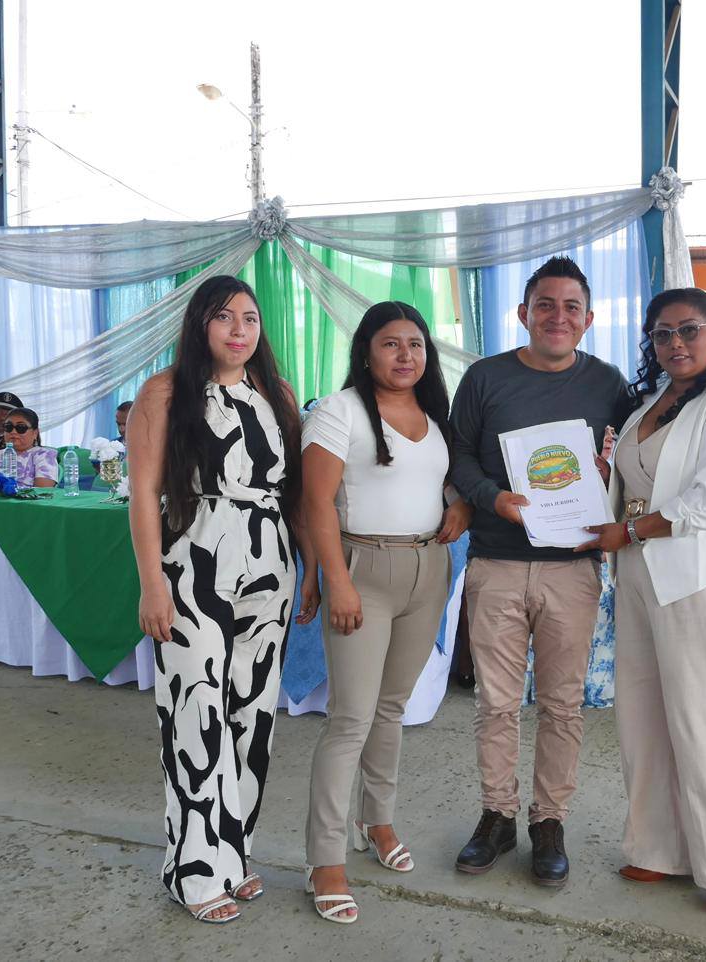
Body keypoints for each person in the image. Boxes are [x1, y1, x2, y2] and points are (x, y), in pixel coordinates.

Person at [575, 288, 706, 914]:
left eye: (690, 329)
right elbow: (636, 482)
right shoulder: (649, 403)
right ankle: (660, 847)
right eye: (662, 334)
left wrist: (629, 530)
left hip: (702, 575)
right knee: (645, 716)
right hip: (639, 571)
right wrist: (600, 484)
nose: (675, 343)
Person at [127, 275, 317, 925]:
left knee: (252, 715)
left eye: (250, 318)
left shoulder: (277, 394)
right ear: (199, 324)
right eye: (224, 317)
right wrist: (152, 583)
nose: (240, 330)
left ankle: (232, 855)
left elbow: (294, 494)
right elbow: (142, 494)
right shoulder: (163, 392)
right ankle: (192, 869)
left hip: (271, 563)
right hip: (193, 561)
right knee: (196, 711)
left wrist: (310, 568)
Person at [448, 256, 628, 886]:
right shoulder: (485, 377)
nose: (557, 316)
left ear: (588, 319)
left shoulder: (608, 384)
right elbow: (458, 454)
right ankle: (496, 815)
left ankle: (549, 821)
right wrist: (490, 497)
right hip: (496, 561)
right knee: (496, 704)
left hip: (572, 568)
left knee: (562, 706)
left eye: (571, 307)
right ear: (523, 313)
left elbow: (627, 461)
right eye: (545, 305)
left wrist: (607, 475)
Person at [302, 301, 472, 924]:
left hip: (429, 569)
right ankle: (325, 858)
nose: (406, 355)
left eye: (416, 344)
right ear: (366, 351)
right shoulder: (339, 411)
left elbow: (441, 477)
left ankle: (377, 822)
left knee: (391, 709)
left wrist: (459, 502)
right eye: (391, 343)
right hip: (363, 572)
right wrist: (336, 581)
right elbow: (316, 502)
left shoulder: (435, 415)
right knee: (350, 718)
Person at [0, 407, 58, 487]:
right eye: (8, 427)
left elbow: (42, 490)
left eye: (21, 427)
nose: (13, 432)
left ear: (35, 433)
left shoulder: (44, 455)